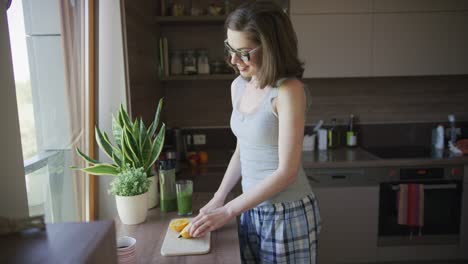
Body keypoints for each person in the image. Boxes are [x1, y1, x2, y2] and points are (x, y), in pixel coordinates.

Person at [188, 1, 321, 263]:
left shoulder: (288, 91)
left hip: (285, 214)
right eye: (230, 49)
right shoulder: (238, 86)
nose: (234, 60)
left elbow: (287, 172)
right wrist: (219, 198)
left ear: (272, 48)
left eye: (244, 52)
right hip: (248, 208)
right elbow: (241, 151)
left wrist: (227, 211)